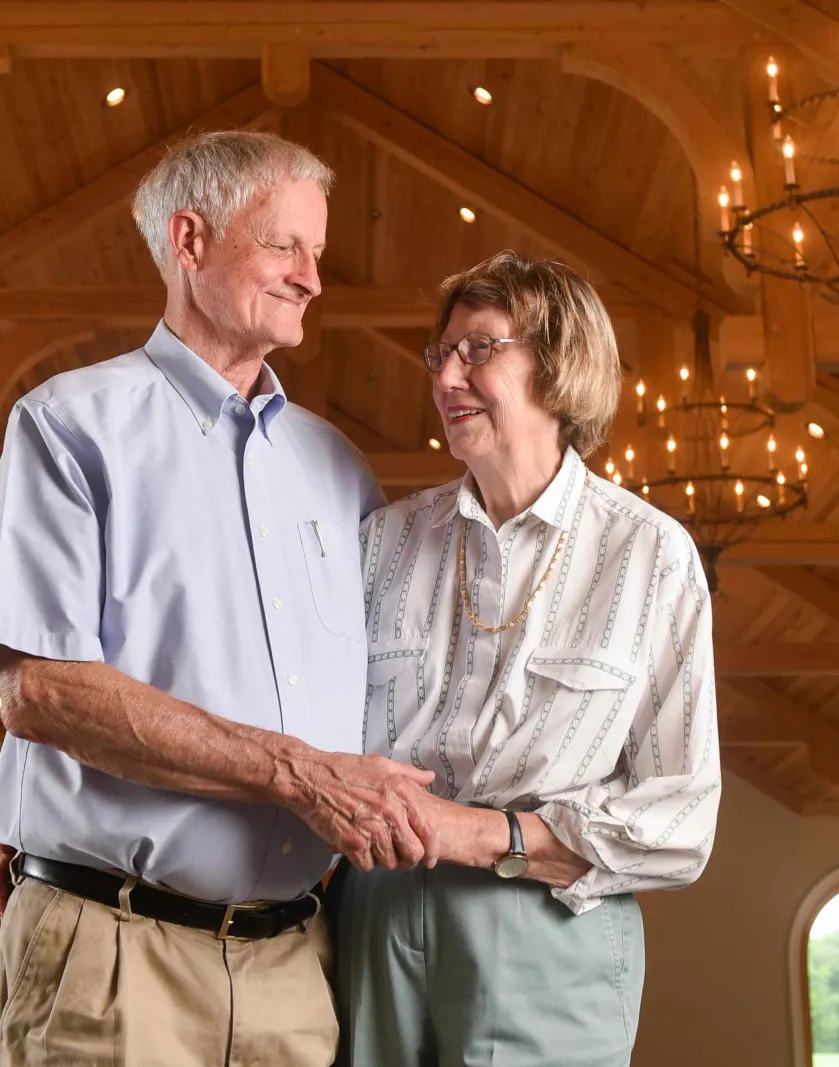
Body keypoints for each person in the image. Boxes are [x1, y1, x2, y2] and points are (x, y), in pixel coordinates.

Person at [0, 130, 444, 1067]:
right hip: (110, 958)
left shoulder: (338, 469)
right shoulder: (68, 426)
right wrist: (296, 771)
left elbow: (385, 698)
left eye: (318, 254)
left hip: (297, 966)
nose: (312, 279)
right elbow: (43, 693)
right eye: (285, 246)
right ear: (190, 239)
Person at [332, 250, 721, 1067]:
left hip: (548, 926)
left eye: (479, 348)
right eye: (440, 354)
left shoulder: (651, 553)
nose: (447, 376)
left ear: (560, 362)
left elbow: (678, 820)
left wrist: (478, 833)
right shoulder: (381, 543)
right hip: (372, 916)